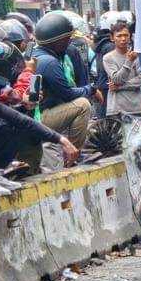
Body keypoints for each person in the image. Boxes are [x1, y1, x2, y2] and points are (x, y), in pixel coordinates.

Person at [0, 42, 78, 197]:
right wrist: (60, 139)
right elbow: (14, 117)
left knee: (19, 119)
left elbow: (15, 106)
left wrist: (25, 104)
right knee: (10, 122)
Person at [19, 11, 98, 173]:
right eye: (67, 38)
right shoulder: (49, 62)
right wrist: (91, 89)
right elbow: (68, 94)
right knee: (83, 105)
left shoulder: (37, 53)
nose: (70, 41)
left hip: (33, 116)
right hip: (39, 118)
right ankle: (73, 153)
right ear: (58, 41)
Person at [102, 21, 141, 119]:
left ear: (130, 37)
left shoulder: (136, 56)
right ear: (112, 38)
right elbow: (117, 79)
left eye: (126, 35)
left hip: (136, 108)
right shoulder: (108, 58)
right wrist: (129, 61)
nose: (123, 39)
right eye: (119, 36)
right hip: (116, 109)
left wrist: (120, 87)